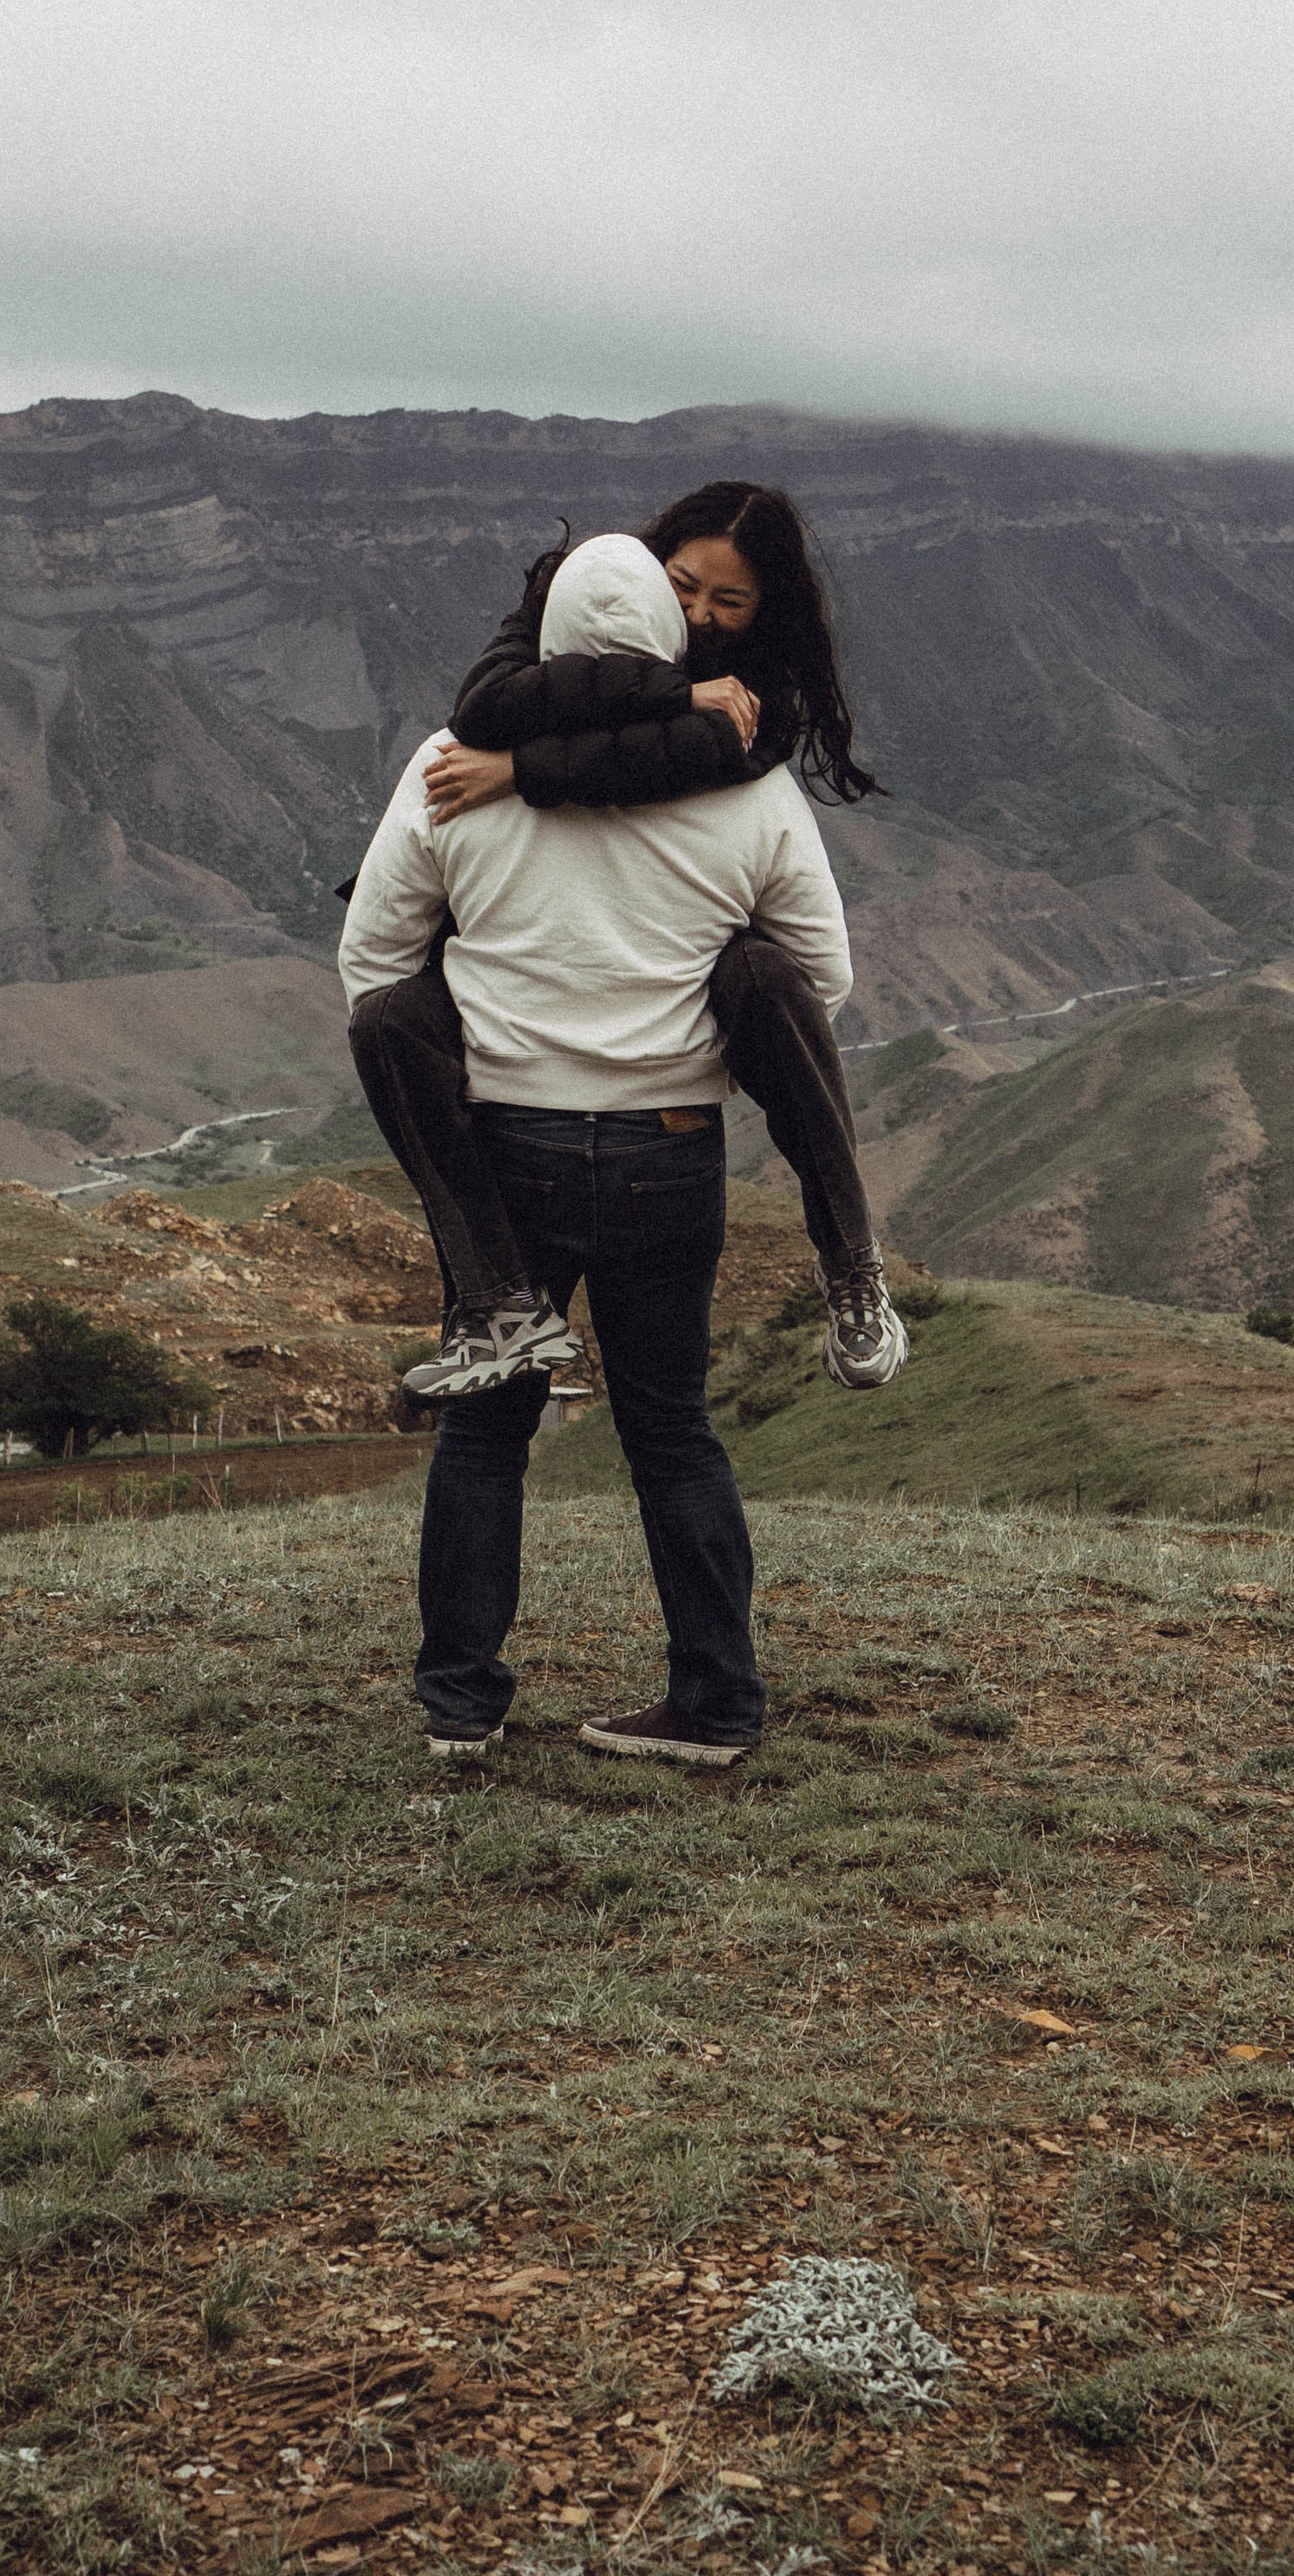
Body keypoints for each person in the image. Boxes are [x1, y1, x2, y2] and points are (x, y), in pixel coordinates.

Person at [338, 532, 855, 1765]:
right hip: (670, 1149)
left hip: (506, 1146)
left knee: (487, 1428)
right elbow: (815, 981)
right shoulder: (745, 783)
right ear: (672, 652)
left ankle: (462, 1705)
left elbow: (374, 967)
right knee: (673, 1430)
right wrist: (685, 1050)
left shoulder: (453, 770)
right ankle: (717, 1704)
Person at [348, 479, 908, 1396]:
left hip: (560, 1118)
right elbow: (488, 705)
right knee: (668, 1424)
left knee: (762, 980)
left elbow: (687, 762)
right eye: (682, 587)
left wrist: (522, 771)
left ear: (766, 612)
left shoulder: (754, 714)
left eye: (730, 602)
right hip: (650, 1141)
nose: (699, 614)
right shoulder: (547, 648)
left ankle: (849, 1261)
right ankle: (496, 1306)